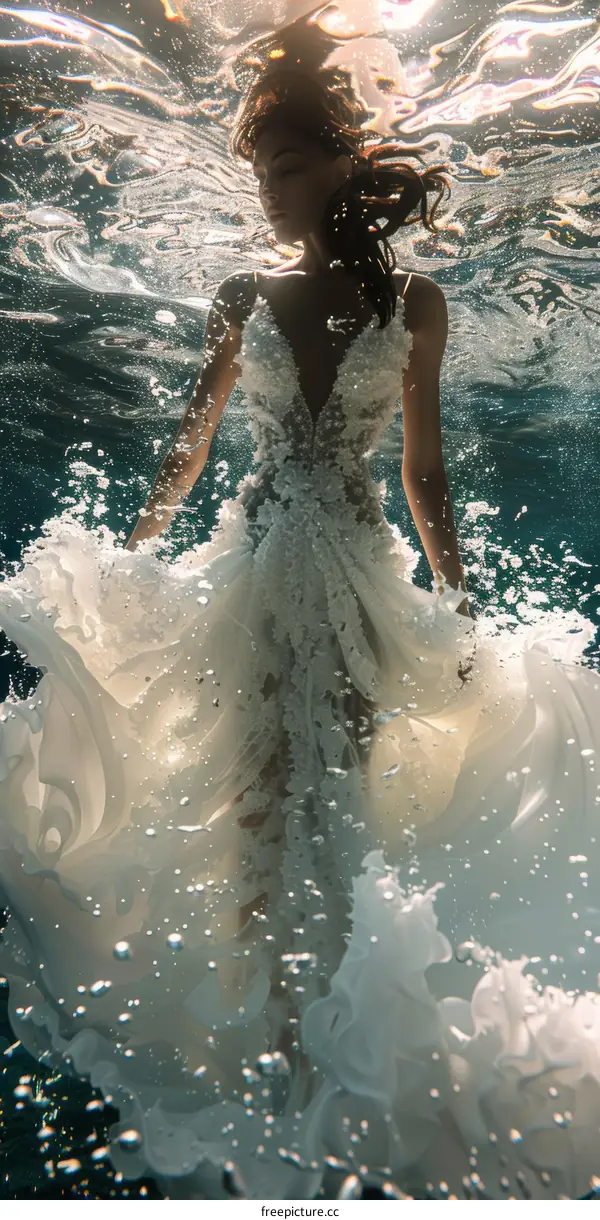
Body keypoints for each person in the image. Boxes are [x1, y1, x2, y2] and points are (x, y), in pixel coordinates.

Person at [0, 61, 599, 1202]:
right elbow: (189, 444)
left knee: (341, 794)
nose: (269, 192)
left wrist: (460, 603)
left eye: (283, 167)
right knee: (254, 797)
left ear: (339, 165)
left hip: (359, 578)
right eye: (260, 173)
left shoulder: (416, 303)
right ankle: (265, 1035)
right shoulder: (241, 294)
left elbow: (427, 474)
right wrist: (133, 558)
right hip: (253, 573)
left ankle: (332, 1035)